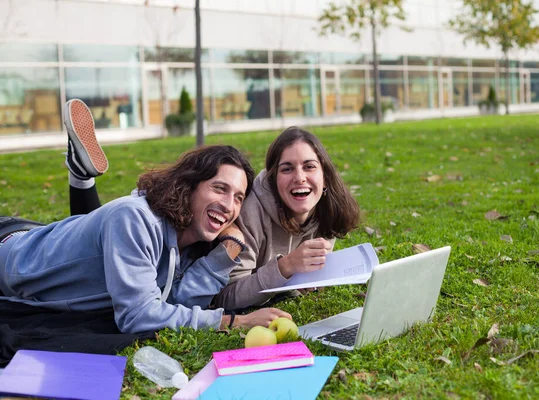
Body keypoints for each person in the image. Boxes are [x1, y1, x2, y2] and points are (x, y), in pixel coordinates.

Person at [0, 99, 291, 335]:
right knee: (109, 225)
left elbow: (175, 302)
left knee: (91, 239)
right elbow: (138, 316)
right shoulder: (135, 220)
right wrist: (233, 321)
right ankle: (81, 177)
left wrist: (222, 257)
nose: (229, 205)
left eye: (238, 197)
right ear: (189, 187)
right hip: (9, 250)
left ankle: (80, 175)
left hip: (54, 240)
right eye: (219, 189)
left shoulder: (192, 241)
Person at [212, 126, 361, 309]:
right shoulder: (249, 211)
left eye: (309, 167)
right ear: (273, 179)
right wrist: (286, 266)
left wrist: (305, 279)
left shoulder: (326, 209)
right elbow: (225, 297)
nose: (300, 178)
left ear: (325, 176)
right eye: (287, 169)